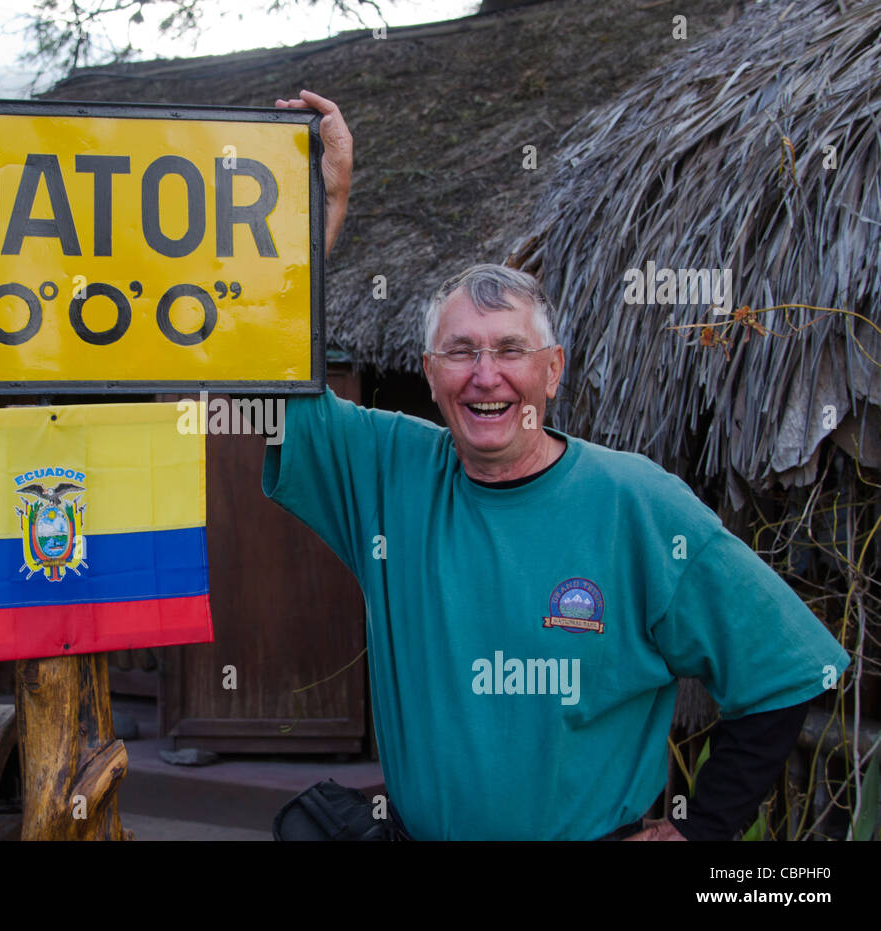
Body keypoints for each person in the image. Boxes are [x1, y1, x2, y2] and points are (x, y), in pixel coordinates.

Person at [267, 90, 851, 841]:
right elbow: (273, 367)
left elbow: (787, 667)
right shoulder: (385, 471)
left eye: (510, 350)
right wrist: (323, 206)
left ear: (553, 370)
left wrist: (703, 830)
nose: (486, 375)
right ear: (428, 370)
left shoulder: (635, 501)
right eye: (461, 351)